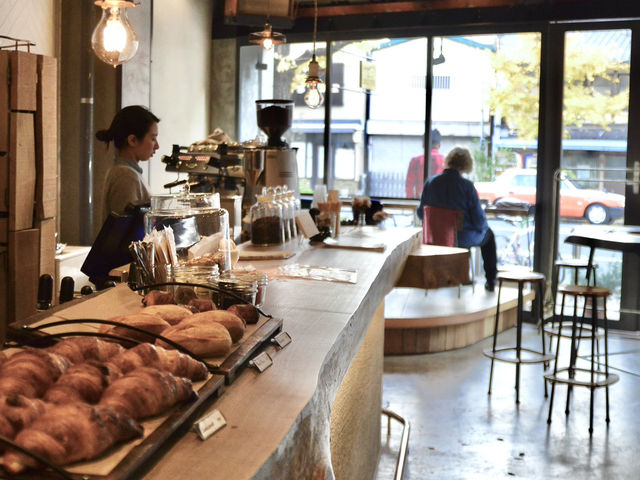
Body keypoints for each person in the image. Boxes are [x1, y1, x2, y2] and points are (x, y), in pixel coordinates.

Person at [417, 146, 498, 291]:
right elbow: (479, 220)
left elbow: (420, 213)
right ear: (467, 165)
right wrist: (483, 228)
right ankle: (491, 281)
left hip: (434, 239)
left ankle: (456, 276)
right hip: (459, 239)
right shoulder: (466, 186)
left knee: (468, 234)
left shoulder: (430, 183)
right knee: (489, 236)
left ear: (448, 161)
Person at [96, 105, 160, 221]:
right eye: (153, 139)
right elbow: (127, 228)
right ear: (132, 140)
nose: (157, 146)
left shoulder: (128, 173)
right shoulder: (126, 176)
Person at [405, 129, 445, 198]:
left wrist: (412, 203)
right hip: (441, 203)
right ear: (439, 145)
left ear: (423, 145)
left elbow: (409, 186)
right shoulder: (446, 161)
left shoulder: (415, 161)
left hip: (420, 202)